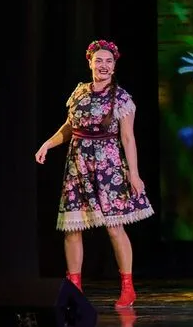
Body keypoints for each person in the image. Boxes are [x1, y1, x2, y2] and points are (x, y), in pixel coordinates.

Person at [34, 39, 153, 308]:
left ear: (114, 66)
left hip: (108, 168)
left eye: (108, 61)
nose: (104, 66)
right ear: (90, 63)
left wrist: (134, 174)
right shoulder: (79, 92)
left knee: (114, 228)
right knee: (72, 229)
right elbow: (69, 127)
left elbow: (128, 138)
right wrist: (47, 145)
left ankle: (128, 288)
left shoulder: (121, 98)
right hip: (78, 167)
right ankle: (74, 289)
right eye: (99, 61)